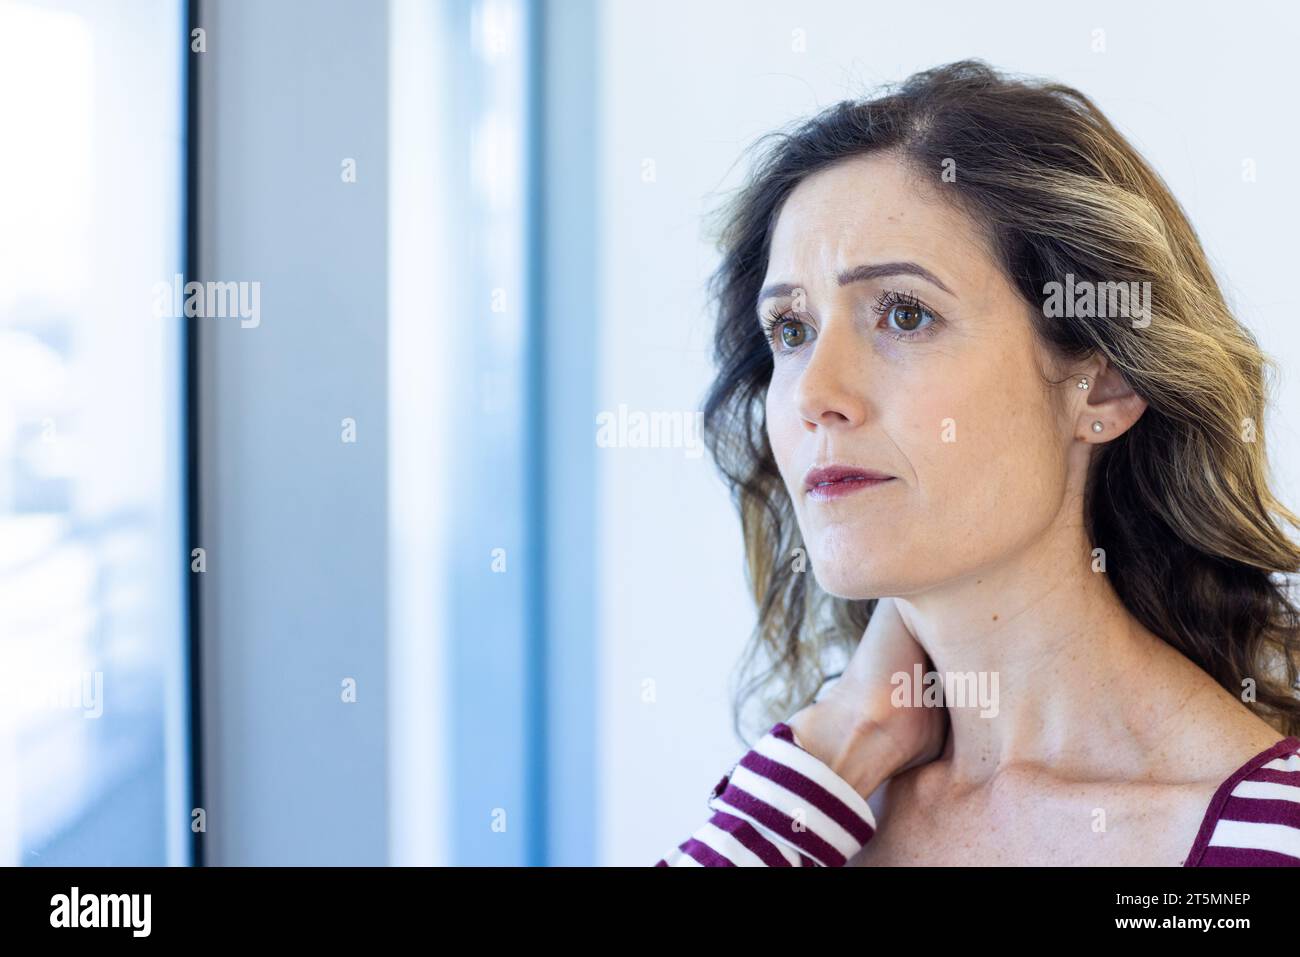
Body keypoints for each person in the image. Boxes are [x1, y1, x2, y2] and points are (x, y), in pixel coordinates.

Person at [658, 60, 1300, 866]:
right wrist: (844, 741)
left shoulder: (1262, 841)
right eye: (790, 330)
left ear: (1101, 380)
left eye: (903, 313)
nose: (814, 392)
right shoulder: (797, 810)